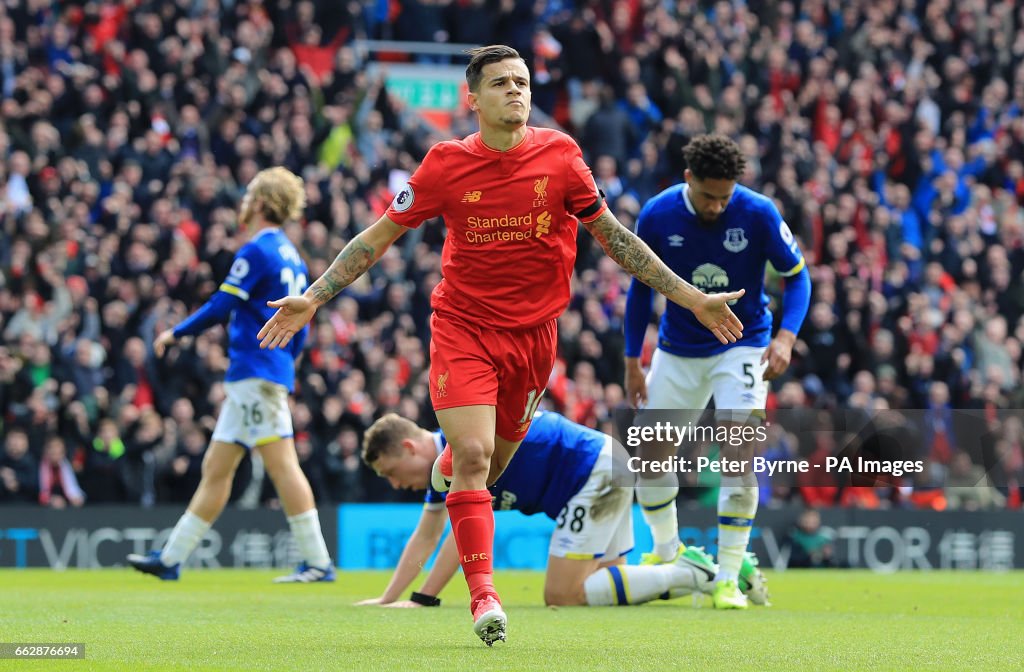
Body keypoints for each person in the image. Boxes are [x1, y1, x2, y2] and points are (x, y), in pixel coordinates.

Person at [257, 45, 744, 645]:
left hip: (534, 341)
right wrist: (315, 294)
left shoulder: (562, 156)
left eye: (522, 81)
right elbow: (377, 236)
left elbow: (616, 239)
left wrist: (691, 296)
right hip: (462, 328)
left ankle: (452, 480)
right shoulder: (443, 165)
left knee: (486, 471)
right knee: (471, 457)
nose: (516, 91)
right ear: (474, 98)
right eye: (501, 83)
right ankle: (484, 599)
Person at [624, 134, 811, 609]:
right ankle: (670, 554)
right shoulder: (658, 214)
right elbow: (640, 291)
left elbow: (798, 276)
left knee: (738, 457)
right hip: (678, 348)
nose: (718, 205)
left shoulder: (759, 212)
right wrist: (632, 359)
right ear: (688, 180)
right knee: (648, 455)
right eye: (709, 196)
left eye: (725, 196)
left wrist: (785, 337)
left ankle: (728, 577)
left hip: (743, 345)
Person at [127, 167, 334, 583]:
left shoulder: (257, 250)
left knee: (282, 465)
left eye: (248, 196)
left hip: (256, 371)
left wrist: (176, 332)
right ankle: (171, 558)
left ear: (258, 203)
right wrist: (286, 362)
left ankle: (317, 562)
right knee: (217, 468)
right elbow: (303, 322)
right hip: (262, 371)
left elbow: (222, 305)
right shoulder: (292, 254)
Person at [354, 411, 769, 608]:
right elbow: (425, 535)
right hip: (606, 462)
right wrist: (388, 598)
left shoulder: (460, 448)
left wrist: (423, 599)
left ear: (410, 447)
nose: (395, 484)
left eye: (392, 472)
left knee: (563, 594)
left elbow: (455, 539)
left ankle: (699, 573)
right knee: (606, 586)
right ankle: (715, 569)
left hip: (595, 473)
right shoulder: (447, 457)